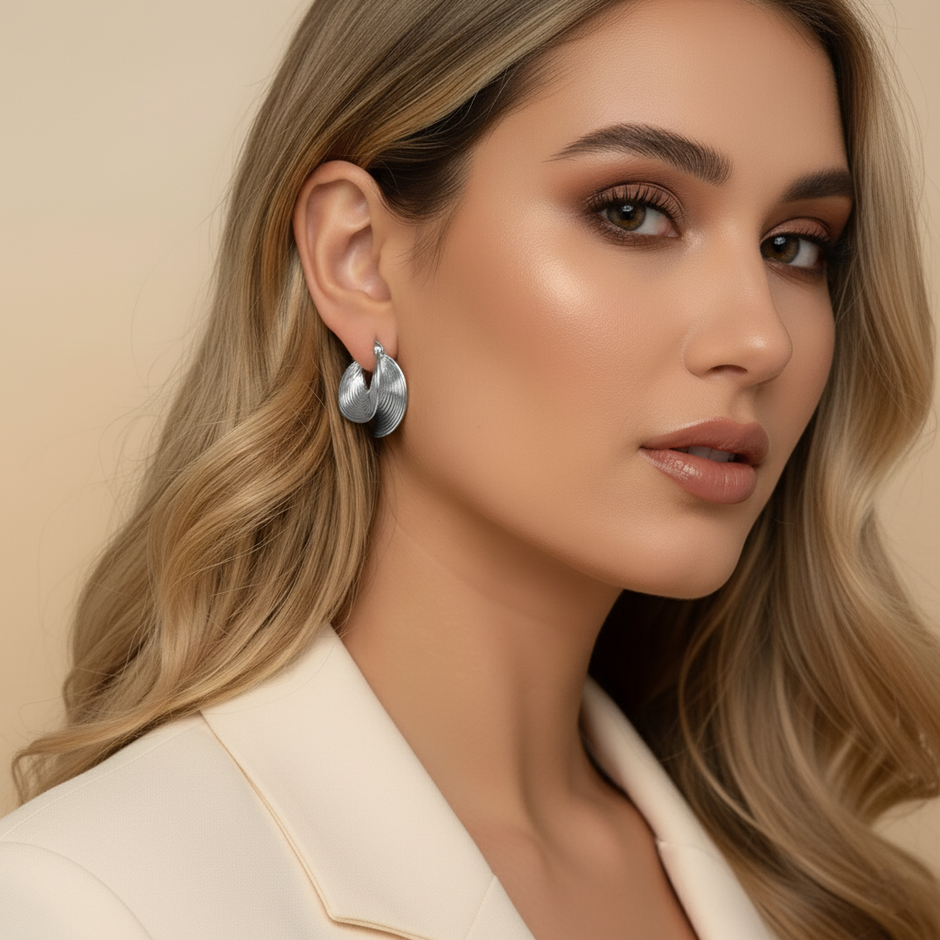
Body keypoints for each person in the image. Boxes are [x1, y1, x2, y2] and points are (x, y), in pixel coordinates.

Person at [2, 0, 939, 936]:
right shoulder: (92, 901)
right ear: (359, 259)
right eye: (634, 213)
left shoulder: (832, 900)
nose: (760, 338)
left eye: (795, 246)